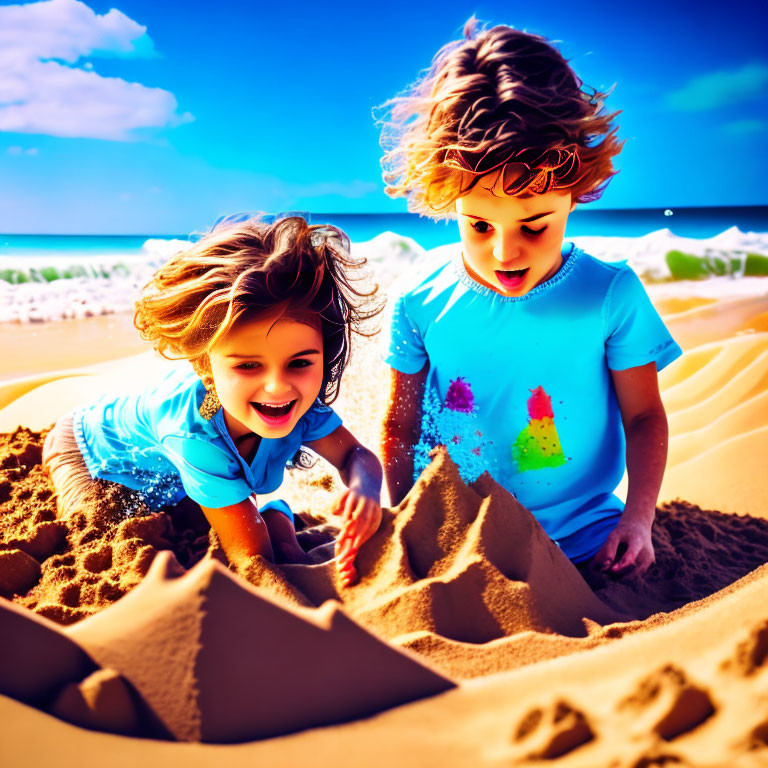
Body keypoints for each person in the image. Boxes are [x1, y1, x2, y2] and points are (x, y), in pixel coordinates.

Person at [378, 21, 682, 578]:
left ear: (575, 194)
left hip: (587, 530)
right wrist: (401, 516)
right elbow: (400, 426)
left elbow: (643, 416)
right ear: (449, 199)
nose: (504, 252)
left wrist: (638, 520)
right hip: (460, 532)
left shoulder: (610, 295)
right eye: (478, 225)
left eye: (534, 226)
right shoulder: (420, 300)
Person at [42, 215, 382, 586]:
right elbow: (253, 560)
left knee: (212, 508)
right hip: (86, 450)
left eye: (299, 363)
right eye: (249, 365)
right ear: (205, 367)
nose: (277, 387)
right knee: (105, 535)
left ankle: (277, 517)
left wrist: (365, 490)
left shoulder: (301, 406)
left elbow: (355, 456)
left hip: (170, 469)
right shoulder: (195, 436)